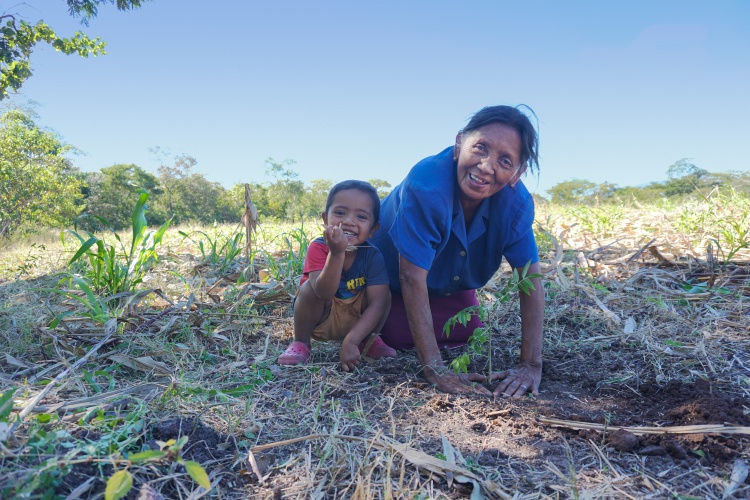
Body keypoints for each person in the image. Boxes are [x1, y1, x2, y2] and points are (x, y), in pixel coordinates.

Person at [370, 105, 544, 397]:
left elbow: (530, 282)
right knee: (396, 337)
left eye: (505, 160)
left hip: (446, 282)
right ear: (458, 144)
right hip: (386, 280)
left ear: (517, 173)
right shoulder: (426, 185)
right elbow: (410, 277)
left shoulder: (517, 205)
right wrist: (435, 369)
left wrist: (531, 364)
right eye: (480, 148)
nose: (487, 166)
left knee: (464, 333)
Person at [278, 180, 396, 371]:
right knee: (309, 288)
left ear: (374, 229)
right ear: (326, 219)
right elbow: (323, 293)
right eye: (340, 213)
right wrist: (336, 253)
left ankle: (366, 340)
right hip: (322, 317)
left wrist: (351, 341)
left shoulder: (373, 256)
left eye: (361, 216)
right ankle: (301, 343)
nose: (349, 221)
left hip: (355, 320)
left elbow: (378, 304)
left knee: (384, 296)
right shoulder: (318, 248)